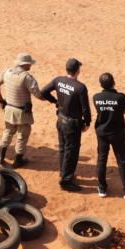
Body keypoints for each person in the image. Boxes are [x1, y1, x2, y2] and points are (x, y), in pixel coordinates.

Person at [40, 58, 91, 191]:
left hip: (61, 120)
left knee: (63, 148)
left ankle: (63, 172)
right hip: (72, 124)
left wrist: (56, 102)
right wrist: (87, 122)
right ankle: (66, 181)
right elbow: (85, 108)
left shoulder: (58, 80)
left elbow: (43, 92)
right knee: (72, 151)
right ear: (77, 70)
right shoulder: (80, 87)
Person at [91, 72, 125, 200]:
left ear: (101, 84)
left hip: (102, 132)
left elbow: (100, 110)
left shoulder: (96, 97)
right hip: (117, 133)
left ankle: (102, 188)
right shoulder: (120, 97)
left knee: (102, 159)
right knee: (122, 160)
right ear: (113, 82)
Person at [0, 53, 45, 168]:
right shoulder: (26, 77)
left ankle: (1, 158)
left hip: (9, 109)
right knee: (22, 135)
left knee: (8, 132)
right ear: (25, 64)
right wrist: (49, 98)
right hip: (22, 113)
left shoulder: (7, 72)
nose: (31, 66)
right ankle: (18, 161)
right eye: (30, 64)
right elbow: (38, 95)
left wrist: (1, 100)